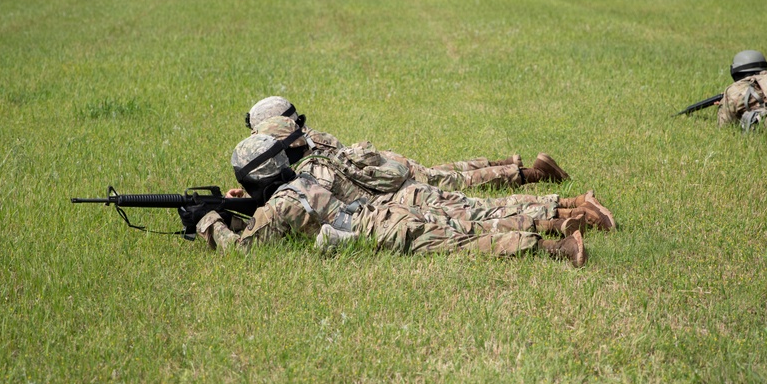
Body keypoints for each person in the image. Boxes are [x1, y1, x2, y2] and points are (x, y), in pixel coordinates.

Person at [196, 134, 588, 267]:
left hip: (380, 228)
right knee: (470, 220)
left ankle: (558, 247)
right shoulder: (308, 173)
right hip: (386, 211)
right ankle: (561, 220)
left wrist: (206, 221)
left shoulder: (280, 206)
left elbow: (240, 248)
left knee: (467, 238)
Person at [244, 114, 615, 231]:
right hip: (397, 175)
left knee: (476, 210)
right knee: (458, 179)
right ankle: (545, 186)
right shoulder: (319, 141)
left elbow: (318, 206)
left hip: (397, 201)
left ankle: (566, 206)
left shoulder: (311, 171)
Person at [245, 96, 570, 190]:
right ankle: (506, 162)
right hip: (379, 161)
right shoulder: (313, 136)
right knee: (445, 171)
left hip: (381, 175)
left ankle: (533, 174)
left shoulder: (296, 153)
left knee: (454, 182)